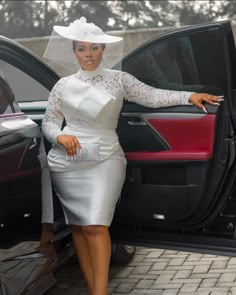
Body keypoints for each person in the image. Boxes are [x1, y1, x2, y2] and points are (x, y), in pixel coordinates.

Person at [41, 17, 222, 295]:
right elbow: (49, 122)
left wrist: (189, 97)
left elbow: (152, 96)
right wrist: (60, 136)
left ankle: (100, 292)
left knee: (97, 225)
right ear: (73, 51)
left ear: (102, 49)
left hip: (106, 159)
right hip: (68, 161)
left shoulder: (119, 79)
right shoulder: (62, 85)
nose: (88, 54)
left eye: (93, 48)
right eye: (81, 49)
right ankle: (93, 290)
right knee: (79, 227)